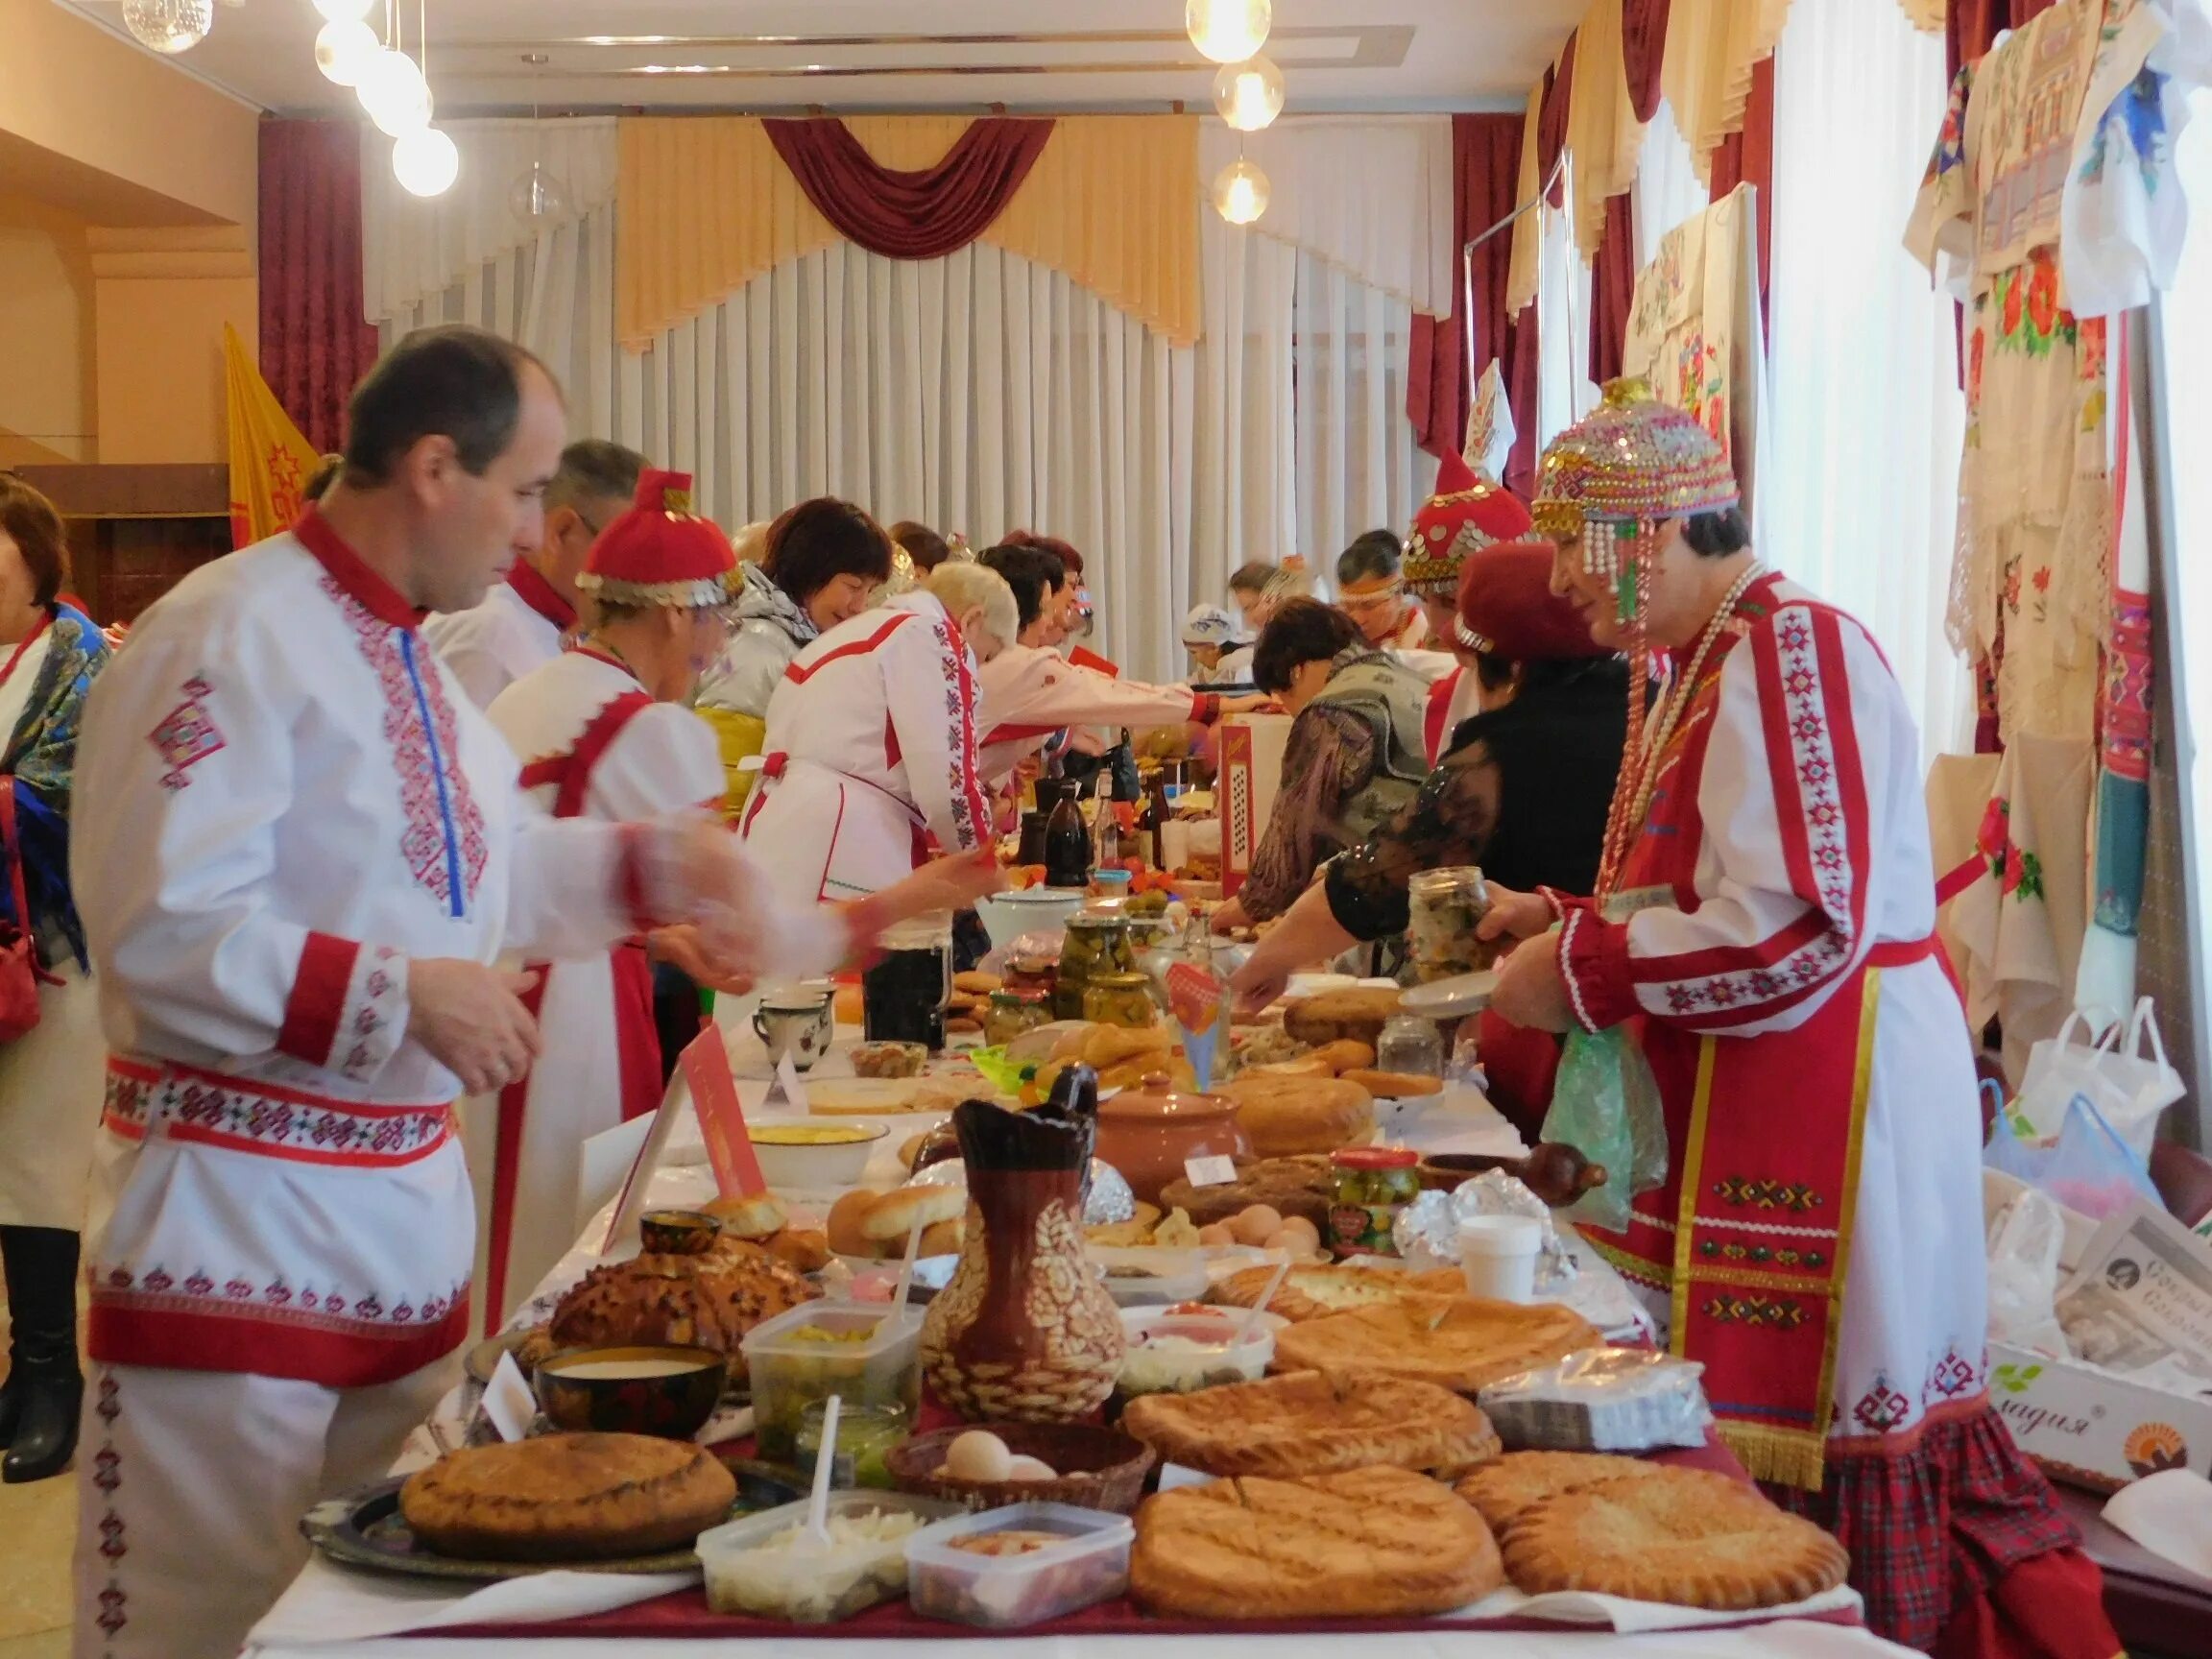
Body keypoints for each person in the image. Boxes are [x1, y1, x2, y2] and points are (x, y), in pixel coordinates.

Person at [64, 326, 1000, 1659]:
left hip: (394, 1228)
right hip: (239, 1226)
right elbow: (161, 925)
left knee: (371, 1616)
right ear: (434, 466)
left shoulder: (411, 660)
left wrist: (646, 868)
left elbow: (472, 877)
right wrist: (406, 998)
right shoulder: (226, 632)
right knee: (206, 1620)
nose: (542, 531)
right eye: (524, 494)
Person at [1478, 382, 2115, 1657]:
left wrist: (1586, 966)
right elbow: (1720, 891)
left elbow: (1799, 932)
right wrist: (1559, 920)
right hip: (1791, 1078)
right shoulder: (1710, 654)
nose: (1565, 587)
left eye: (1577, 549)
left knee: (1831, 1413)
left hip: (1839, 1090)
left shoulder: (1789, 644)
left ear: (1649, 533)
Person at [474, 469, 749, 1331]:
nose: (717, 648)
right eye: (716, 620)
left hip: (513, 978)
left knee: (509, 1219)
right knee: (562, 1225)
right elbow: (717, 899)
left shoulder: (545, 688)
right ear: (674, 612)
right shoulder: (635, 723)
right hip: (569, 998)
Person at [1228, 543, 1628, 1134]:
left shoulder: (1506, 748)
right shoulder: (1641, 704)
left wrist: (1267, 961)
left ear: (1503, 664)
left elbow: (1379, 878)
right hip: (1638, 1011)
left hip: (1547, 1021)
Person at [0, 478, 111, 1485]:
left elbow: (90, 799)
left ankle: (48, 1377)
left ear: (36, 560)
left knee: (35, 1167)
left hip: (54, 956)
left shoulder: (86, 666)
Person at [740, 557, 1009, 902]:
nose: (981, 668)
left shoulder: (861, 630)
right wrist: (986, 867)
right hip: (845, 842)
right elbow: (948, 786)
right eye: (988, 656)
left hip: (781, 824)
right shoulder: (932, 634)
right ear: (973, 621)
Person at [1210, 598, 1428, 931]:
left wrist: (1230, 916)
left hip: (1392, 911)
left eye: (1284, 697)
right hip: (1447, 891)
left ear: (1296, 671)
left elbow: (1290, 847)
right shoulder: (1411, 680)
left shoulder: (1329, 713)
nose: (1290, 710)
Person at [973, 549, 1253, 787]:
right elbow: (1117, 696)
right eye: (1046, 608)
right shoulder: (1018, 666)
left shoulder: (994, 665)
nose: (1051, 623)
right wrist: (1222, 705)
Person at [692, 498, 894, 816]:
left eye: (869, 591)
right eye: (853, 586)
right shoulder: (759, 648)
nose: (860, 606)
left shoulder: (799, 640)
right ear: (810, 570)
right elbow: (728, 783)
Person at [422, 440, 645, 709]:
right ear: (561, 533)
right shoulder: (487, 634)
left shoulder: (574, 627)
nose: (644, 582)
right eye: (629, 556)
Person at [1399, 450, 1536, 753]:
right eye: (1425, 599)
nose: (1435, 626)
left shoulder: (1578, 694)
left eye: (1450, 600)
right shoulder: (1444, 702)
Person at [1335, 529, 1432, 655]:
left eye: (1369, 605)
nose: (1358, 620)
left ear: (1398, 594)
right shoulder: (1334, 628)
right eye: (1348, 607)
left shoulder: (1422, 633)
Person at [1179, 604, 1245, 685]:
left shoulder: (1236, 667)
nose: (1195, 660)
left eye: (1194, 652)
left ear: (1214, 648)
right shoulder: (1212, 671)